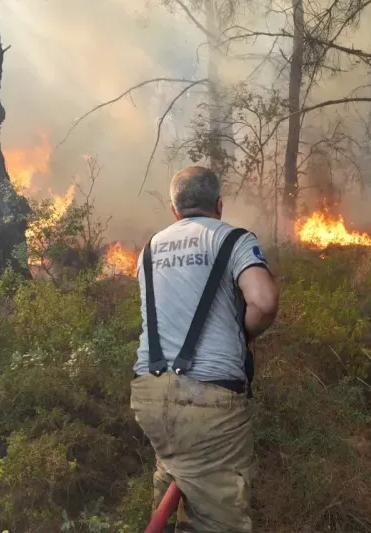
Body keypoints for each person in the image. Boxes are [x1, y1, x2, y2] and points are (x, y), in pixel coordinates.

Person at [130, 166, 279, 533]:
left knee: (172, 472)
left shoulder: (148, 249)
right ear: (220, 205)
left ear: (174, 210)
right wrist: (244, 334)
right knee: (217, 521)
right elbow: (264, 301)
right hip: (211, 401)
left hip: (149, 395)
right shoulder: (234, 239)